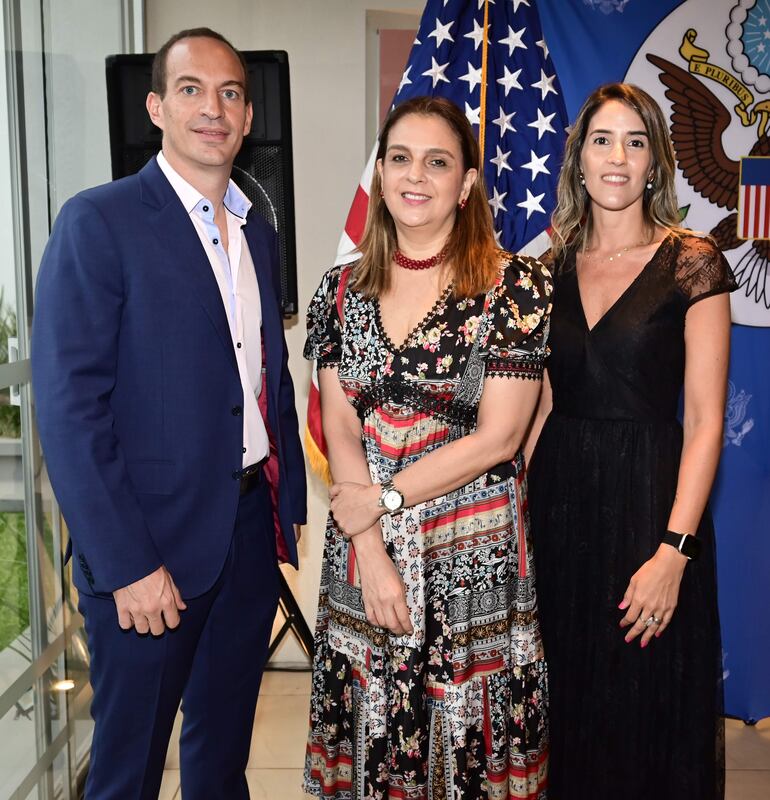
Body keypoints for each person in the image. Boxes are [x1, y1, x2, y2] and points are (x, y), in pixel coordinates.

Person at [31, 28, 306, 800]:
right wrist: (126, 565)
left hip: (247, 537)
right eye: (191, 90)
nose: (212, 109)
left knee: (221, 763)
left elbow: (263, 374)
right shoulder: (99, 222)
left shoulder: (258, 231)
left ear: (248, 117)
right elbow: (68, 409)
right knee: (128, 771)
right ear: (156, 106)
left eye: (230, 93)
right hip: (148, 552)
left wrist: (285, 510)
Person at [303, 96, 551, 800]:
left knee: (465, 750)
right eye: (401, 158)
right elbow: (339, 420)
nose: (416, 176)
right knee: (372, 742)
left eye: (437, 161)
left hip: (469, 558)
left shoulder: (514, 286)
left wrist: (381, 501)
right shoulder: (340, 290)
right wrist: (373, 549)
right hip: (363, 549)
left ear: (467, 183)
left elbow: (500, 435)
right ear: (380, 173)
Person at [524, 82, 734, 800]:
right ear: (579, 159)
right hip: (559, 509)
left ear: (656, 164)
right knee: (569, 707)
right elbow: (541, 405)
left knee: (651, 709)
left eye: (635, 142)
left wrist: (675, 554)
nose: (618, 157)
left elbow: (706, 420)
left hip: (652, 508)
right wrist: (519, 521)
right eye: (603, 140)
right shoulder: (546, 269)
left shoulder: (693, 260)